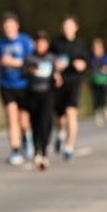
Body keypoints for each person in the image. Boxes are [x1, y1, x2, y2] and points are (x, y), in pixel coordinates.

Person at [0, 12, 34, 165]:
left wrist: (13, 62)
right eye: (6, 26)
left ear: (17, 26)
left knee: (24, 120)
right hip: (7, 85)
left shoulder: (25, 41)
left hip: (24, 84)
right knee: (11, 117)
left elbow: (33, 63)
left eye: (11, 25)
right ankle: (15, 150)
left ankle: (27, 137)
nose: (8, 28)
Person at [51, 15, 88, 161]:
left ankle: (69, 147)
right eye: (65, 26)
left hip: (74, 83)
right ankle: (60, 134)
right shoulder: (55, 43)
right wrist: (55, 68)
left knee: (71, 113)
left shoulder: (80, 44)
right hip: (59, 84)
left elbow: (87, 62)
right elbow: (48, 60)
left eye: (70, 26)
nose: (67, 29)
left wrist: (82, 65)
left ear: (76, 28)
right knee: (60, 118)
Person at [24, 31, 61, 170]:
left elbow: (57, 75)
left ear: (47, 44)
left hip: (48, 94)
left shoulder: (52, 58)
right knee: (35, 124)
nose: (40, 45)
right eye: (38, 43)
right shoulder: (29, 58)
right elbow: (22, 73)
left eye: (43, 43)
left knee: (45, 123)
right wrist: (30, 71)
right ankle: (36, 151)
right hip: (33, 94)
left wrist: (57, 79)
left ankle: (44, 153)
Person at [88, 38, 107, 126]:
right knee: (96, 98)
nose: (96, 50)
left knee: (104, 97)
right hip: (95, 82)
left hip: (105, 82)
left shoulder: (106, 57)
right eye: (94, 48)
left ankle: (106, 107)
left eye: (98, 48)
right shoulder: (91, 58)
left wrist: (106, 69)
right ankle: (98, 114)